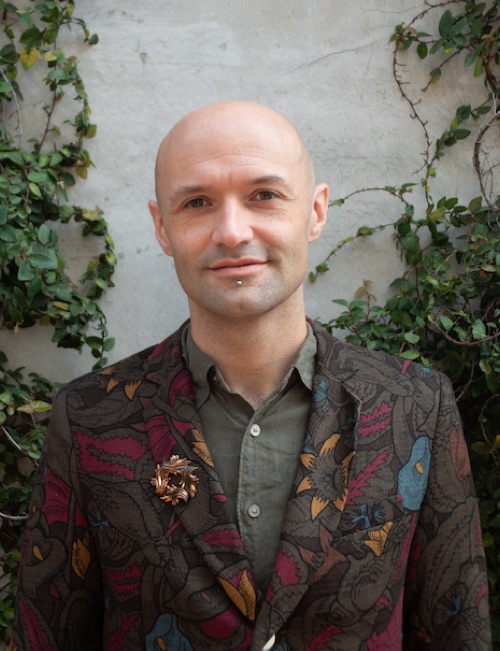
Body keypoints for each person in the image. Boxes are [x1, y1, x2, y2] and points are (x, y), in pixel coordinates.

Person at [12, 101, 491, 650]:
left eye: (264, 195)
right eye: (197, 202)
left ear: (315, 212)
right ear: (162, 228)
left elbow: (458, 630)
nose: (233, 231)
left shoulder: (415, 404)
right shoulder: (91, 417)